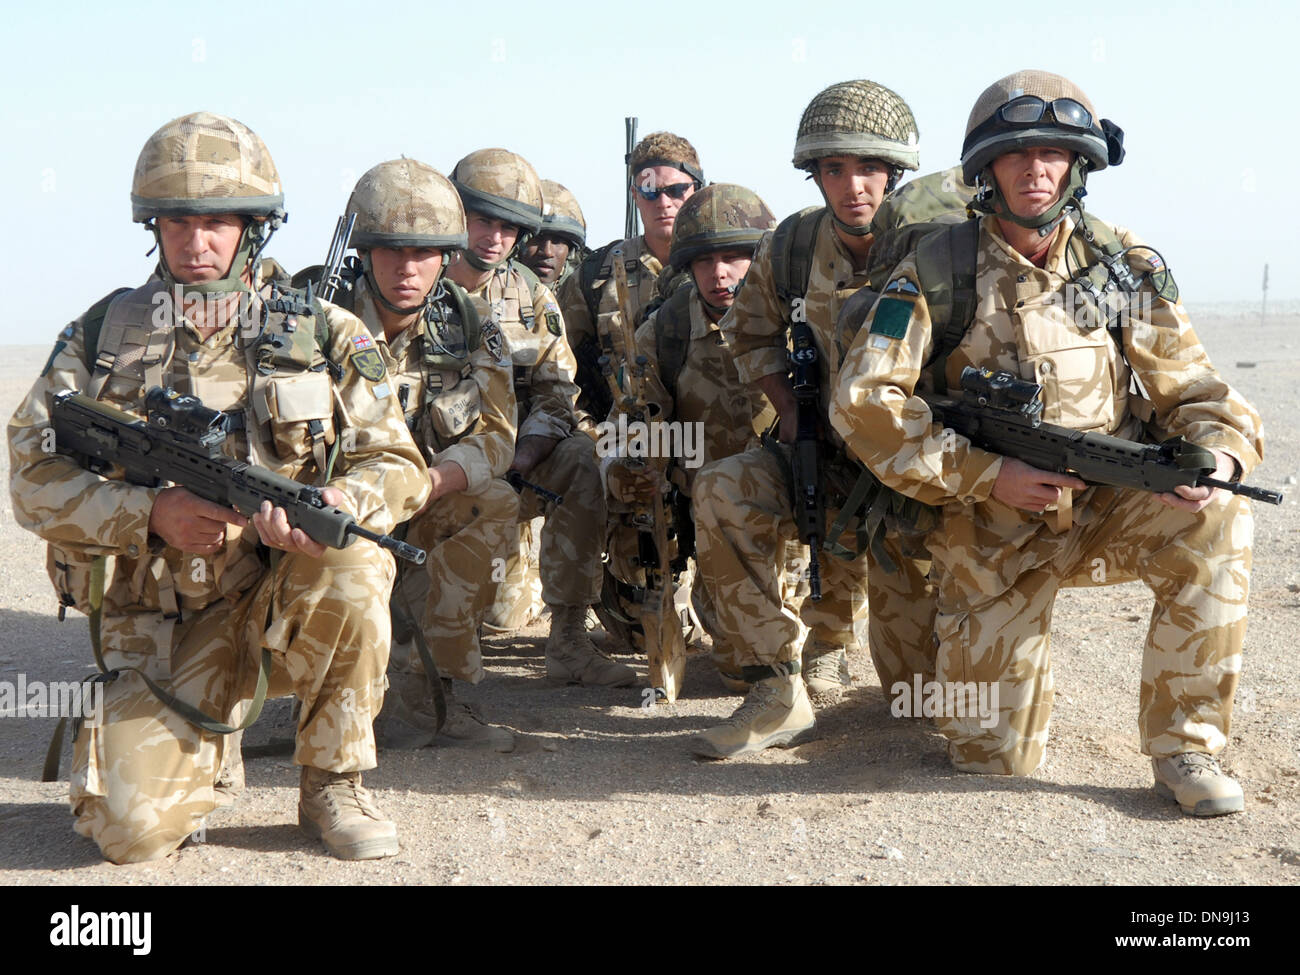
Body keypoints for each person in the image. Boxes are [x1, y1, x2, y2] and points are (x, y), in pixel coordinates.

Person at [830, 70, 1261, 816]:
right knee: (990, 758)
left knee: (1220, 516)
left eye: (1053, 153)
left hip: (1107, 505)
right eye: (1017, 153)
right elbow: (864, 402)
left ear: (1077, 165)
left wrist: (1216, 456)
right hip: (990, 526)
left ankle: (1185, 747)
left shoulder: (1117, 264)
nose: (1036, 169)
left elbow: (1196, 389)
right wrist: (985, 474)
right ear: (987, 169)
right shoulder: (935, 271)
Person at [7, 112, 430, 862]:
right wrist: (149, 512)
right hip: (164, 624)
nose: (195, 242)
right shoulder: (103, 335)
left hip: (281, 598)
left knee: (358, 562)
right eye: (177, 222)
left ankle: (332, 781)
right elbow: (32, 477)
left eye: (216, 222)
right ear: (153, 226)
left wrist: (341, 503)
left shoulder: (326, 333)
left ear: (252, 228)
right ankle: (200, 752)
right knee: (128, 834)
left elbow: (399, 464)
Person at [689, 80, 931, 759]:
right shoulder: (792, 244)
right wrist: (793, 411)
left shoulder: (938, 246)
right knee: (722, 488)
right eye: (834, 169)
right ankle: (775, 689)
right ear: (815, 175)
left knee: (920, 701)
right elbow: (748, 332)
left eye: (869, 168)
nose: (853, 186)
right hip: (826, 458)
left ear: (894, 172)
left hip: (919, 478)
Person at [321, 158, 520, 751]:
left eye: (424, 253)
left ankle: (430, 687)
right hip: (333, 506)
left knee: (494, 501)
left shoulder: (470, 325)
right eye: (391, 251)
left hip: (422, 500)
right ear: (364, 251)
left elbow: (498, 435)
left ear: (446, 256)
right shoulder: (315, 321)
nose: (407, 269)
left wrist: (434, 481)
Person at [446, 148, 635, 687]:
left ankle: (569, 640)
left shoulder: (531, 296)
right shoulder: (415, 281)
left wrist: (520, 458)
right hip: (430, 468)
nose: (494, 238)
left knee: (581, 456)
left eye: (509, 227)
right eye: (482, 220)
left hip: (513, 466)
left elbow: (556, 393)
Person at [601, 183, 777, 687]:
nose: (719, 273)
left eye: (734, 257)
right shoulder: (666, 330)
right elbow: (624, 427)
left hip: (790, 503)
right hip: (710, 513)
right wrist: (631, 468)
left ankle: (829, 636)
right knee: (742, 669)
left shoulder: (797, 320)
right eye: (704, 261)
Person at [556, 132, 703, 423]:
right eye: (650, 192)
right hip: (624, 431)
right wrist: (590, 431)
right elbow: (559, 370)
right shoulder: (596, 275)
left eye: (676, 190)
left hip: (712, 431)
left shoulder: (724, 264)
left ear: (696, 190)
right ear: (635, 195)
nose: (664, 202)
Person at [520, 179, 588, 290]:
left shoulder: (583, 290)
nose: (547, 252)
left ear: (570, 252)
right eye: (536, 238)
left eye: (558, 242)